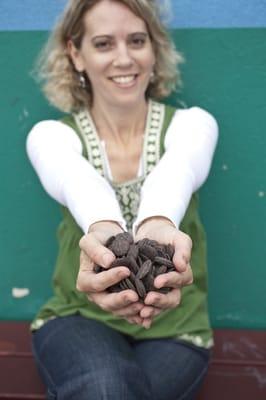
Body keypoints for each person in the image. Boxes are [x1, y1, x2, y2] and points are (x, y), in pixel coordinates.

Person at [26, 0, 218, 399]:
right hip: (77, 317)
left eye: (136, 40)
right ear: (76, 54)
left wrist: (156, 224)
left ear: (154, 48)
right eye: (103, 44)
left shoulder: (192, 125)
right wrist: (106, 230)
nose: (124, 58)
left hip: (177, 328)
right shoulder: (51, 136)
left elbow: (177, 170)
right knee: (104, 387)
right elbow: (76, 179)